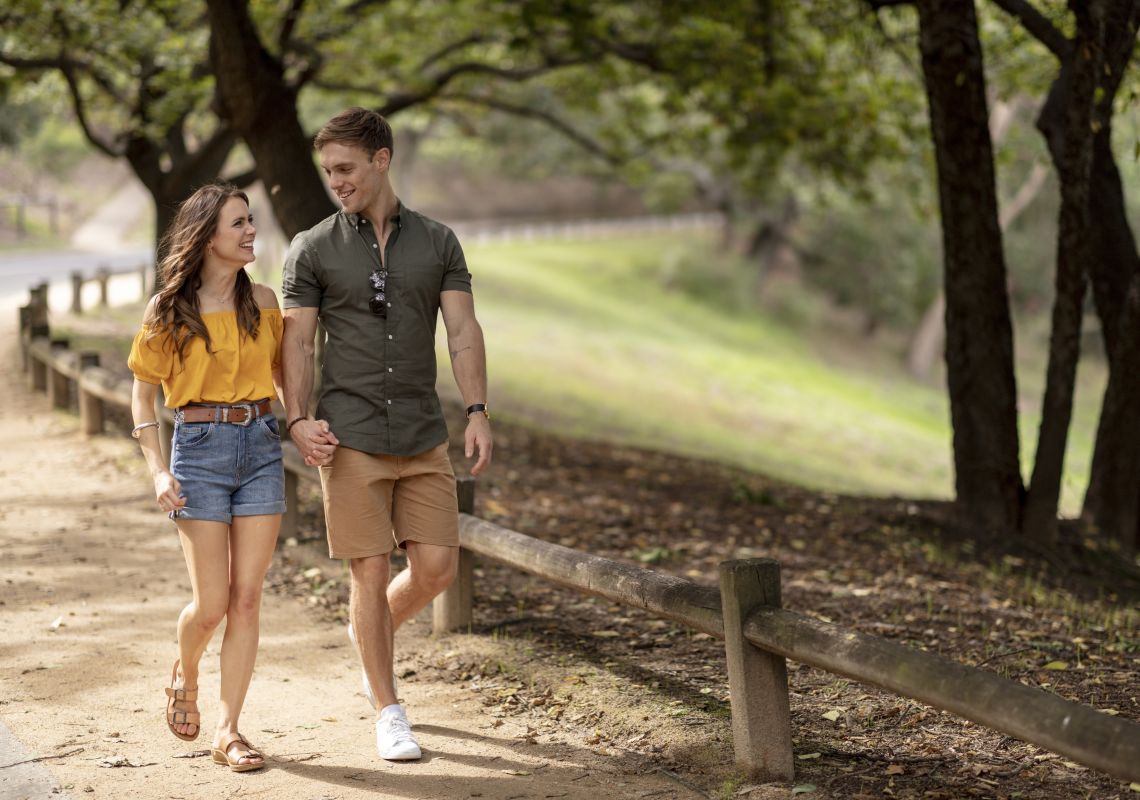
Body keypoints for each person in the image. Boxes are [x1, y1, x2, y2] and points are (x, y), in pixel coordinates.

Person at [280, 107, 492, 762]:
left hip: (424, 432)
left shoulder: (438, 242)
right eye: (327, 171)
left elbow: (461, 330)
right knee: (368, 571)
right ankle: (389, 708)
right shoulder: (312, 248)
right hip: (348, 437)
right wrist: (298, 418)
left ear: (381, 160)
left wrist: (478, 410)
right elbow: (298, 343)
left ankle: (366, 633)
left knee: (434, 570)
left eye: (345, 168)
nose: (336, 181)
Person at [128, 182, 285, 773]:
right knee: (212, 604)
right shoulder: (168, 309)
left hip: (261, 446)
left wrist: (300, 419)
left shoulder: (265, 301)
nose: (250, 232)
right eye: (238, 223)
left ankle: (229, 729)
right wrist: (157, 470)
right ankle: (185, 670)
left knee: (247, 598)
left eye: (251, 222)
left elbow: (283, 372)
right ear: (207, 236)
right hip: (198, 449)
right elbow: (143, 396)